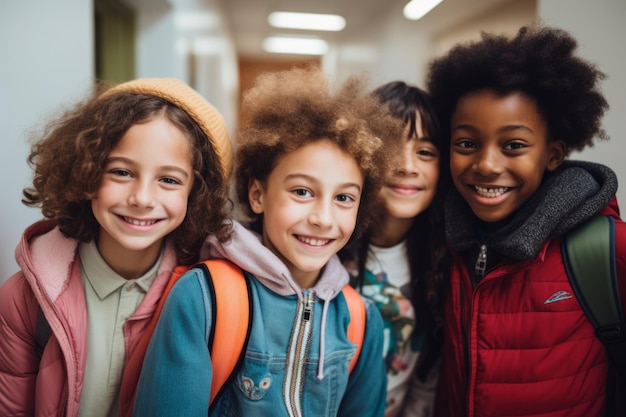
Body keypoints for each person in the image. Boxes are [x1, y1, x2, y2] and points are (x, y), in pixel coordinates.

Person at [132, 66, 403, 417]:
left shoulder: (360, 320)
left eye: (344, 198)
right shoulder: (204, 296)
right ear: (258, 195)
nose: (322, 218)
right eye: (302, 192)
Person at [0, 78, 234, 417]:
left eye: (168, 180)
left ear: (196, 195)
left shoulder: (210, 299)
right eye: (122, 172)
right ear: (87, 172)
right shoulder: (23, 300)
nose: (141, 198)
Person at [425, 25, 625, 416]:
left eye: (513, 145)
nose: (486, 164)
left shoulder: (606, 250)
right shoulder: (446, 242)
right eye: (466, 143)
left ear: (552, 155)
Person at [338, 81, 449, 417]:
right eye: (390, 146)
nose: (407, 165)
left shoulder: (445, 260)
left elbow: (428, 375)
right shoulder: (324, 245)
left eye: (425, 152)